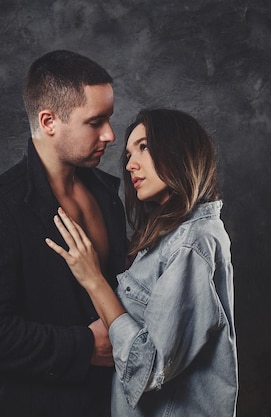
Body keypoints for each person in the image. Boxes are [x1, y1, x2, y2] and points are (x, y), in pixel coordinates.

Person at [0, 50, 127, 417]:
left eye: (109, 119)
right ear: (49, 121)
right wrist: (82, 347)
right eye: (95, 122)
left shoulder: (108, 194)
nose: (110, 135)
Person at [46, 108, 238, 416]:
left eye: (144, 147)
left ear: (179, 149)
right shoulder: (167, 237)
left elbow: (148, 368)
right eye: (128, 154)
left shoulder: (192, 243)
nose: (130, 164)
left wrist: (93, 279)